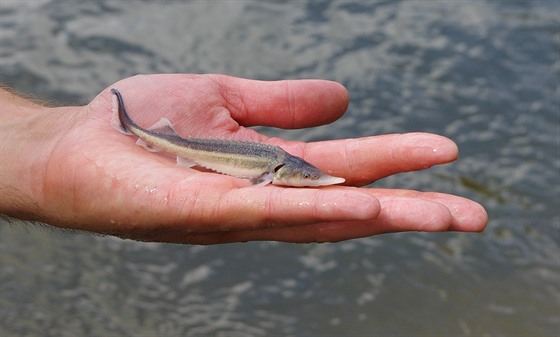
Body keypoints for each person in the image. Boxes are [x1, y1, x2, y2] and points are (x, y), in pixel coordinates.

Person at [0, 74, 487, 244]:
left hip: (214, 153)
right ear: (280, 174)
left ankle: (123, 119)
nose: (307, 179)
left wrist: (38, 142)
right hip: (186, 148)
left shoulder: (275, 167)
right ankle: (124, 119)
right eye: (304, 176)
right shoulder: (270, 171)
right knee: (150, 135)